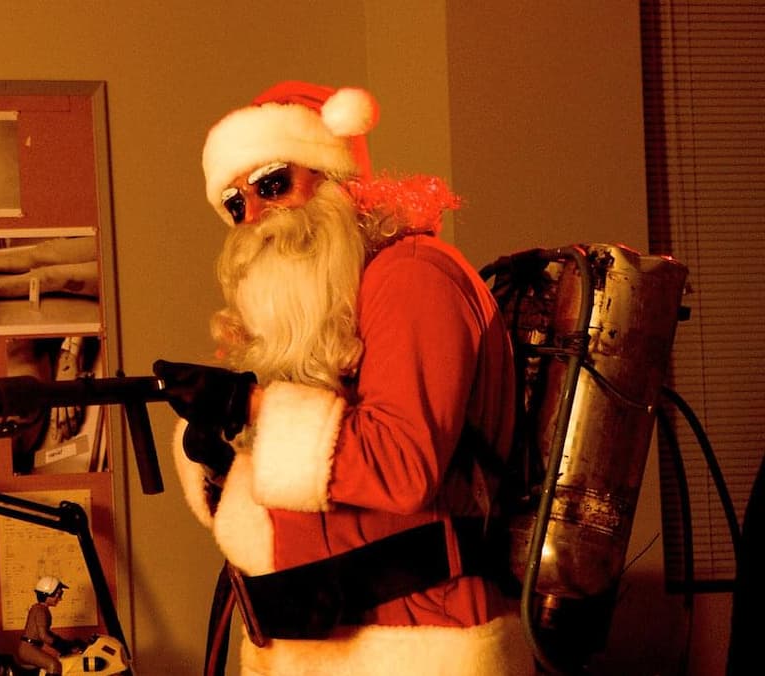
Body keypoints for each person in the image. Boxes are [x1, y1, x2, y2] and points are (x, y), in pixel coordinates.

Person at [154, 81, 531, 674]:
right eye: (236, 204)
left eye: (272, 184)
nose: (255, 216)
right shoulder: (339, 302)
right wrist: (226, 455)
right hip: (323, 640)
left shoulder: (412, 278)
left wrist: (252, 408)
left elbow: (402, 467)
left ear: (332, 177)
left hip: (420, 645)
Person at [16, 576, 77, 675]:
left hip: (31, 647)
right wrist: (62, 646)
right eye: (58, 594)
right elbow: (43, 636)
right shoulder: (40, 610)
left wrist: (65, 643)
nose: (60, 598)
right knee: (54, 665)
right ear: (47, 594)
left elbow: (46, 633)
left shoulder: (41, 609)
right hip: (28, 649)